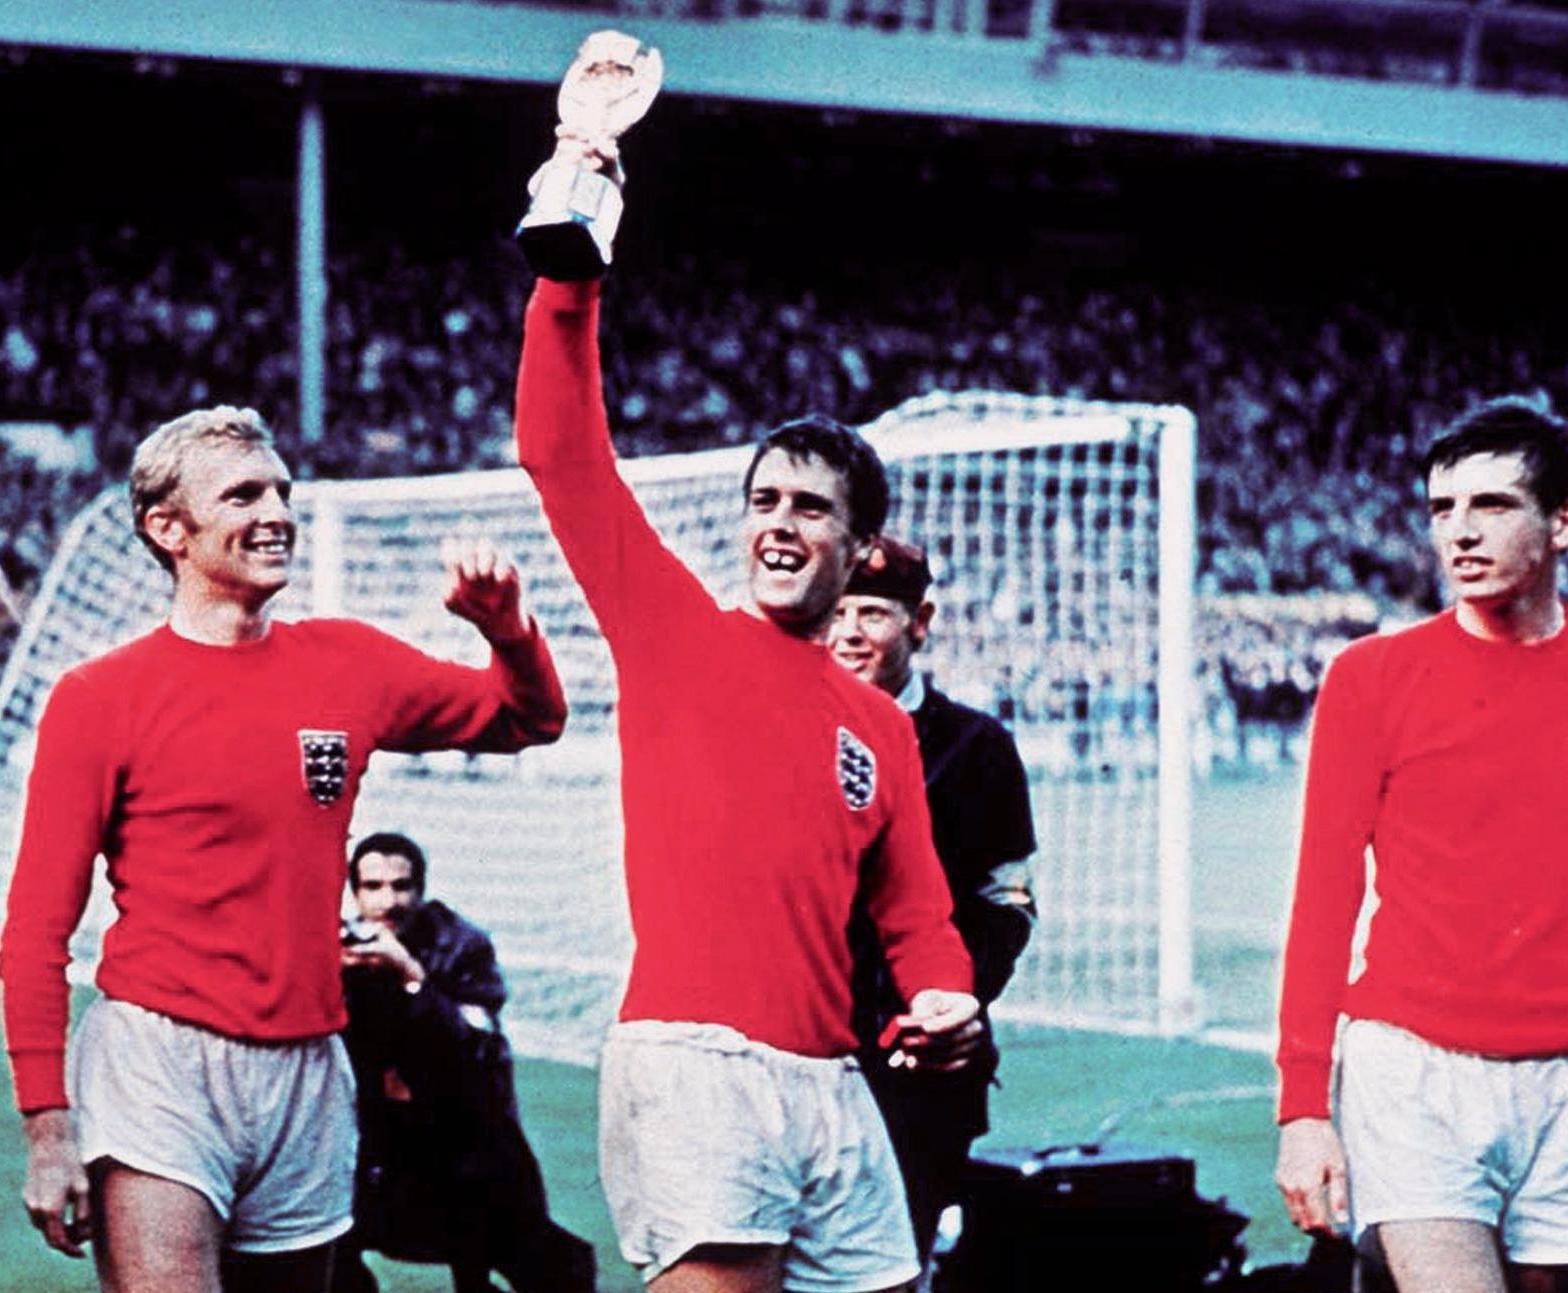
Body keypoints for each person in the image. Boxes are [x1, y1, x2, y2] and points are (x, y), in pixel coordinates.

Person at [512, 135, 979, 1293]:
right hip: (696, 1063)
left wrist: (946, 993)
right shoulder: (676, 634)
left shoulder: (880, 726)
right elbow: (563, 457)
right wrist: (573, 267)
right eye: (763, 499)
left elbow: (915, 908)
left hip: (831, 1081)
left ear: (861, 547)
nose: (778, 522)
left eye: (810, 507)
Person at [0, 406, 567, 1293]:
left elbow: (528, 717)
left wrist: (507, 629)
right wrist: (47, 1127)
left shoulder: (348, 663)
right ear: (168, 529)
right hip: (159, 1059)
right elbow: (35, 927)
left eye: (280, 490)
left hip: (307, 1064)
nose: (276, 512)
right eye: (242, 494)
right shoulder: (97, 699)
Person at [1273, 395, 1568, 1293]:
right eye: (1442, 509)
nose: (1458, 534)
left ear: (1564, 521)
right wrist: (1300, 1108)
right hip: (1416, 1071)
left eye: (1490, 506)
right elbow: (1323, 897)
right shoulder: (1370, 679)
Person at [826, 535, 1037, 1268]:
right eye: (839, 609)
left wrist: (947, 1005)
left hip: (921, 1066)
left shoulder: (975, 746)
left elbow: (1004, 902)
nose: (850, 630)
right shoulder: (791, 728)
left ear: (920, 621)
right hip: (803, 1050)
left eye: (874, 613)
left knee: (899, 1260)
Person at [331, 832, 597, 1293]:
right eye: (373, 887)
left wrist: (412, 976)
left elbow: (472, 1047)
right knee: (311, 1248)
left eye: (402, 886)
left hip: (465, 1143)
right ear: (355, 893)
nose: (388, 901)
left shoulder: (461, 946)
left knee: (551, 1268)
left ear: (421, 889)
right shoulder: (341, 947)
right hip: (378, 1147)